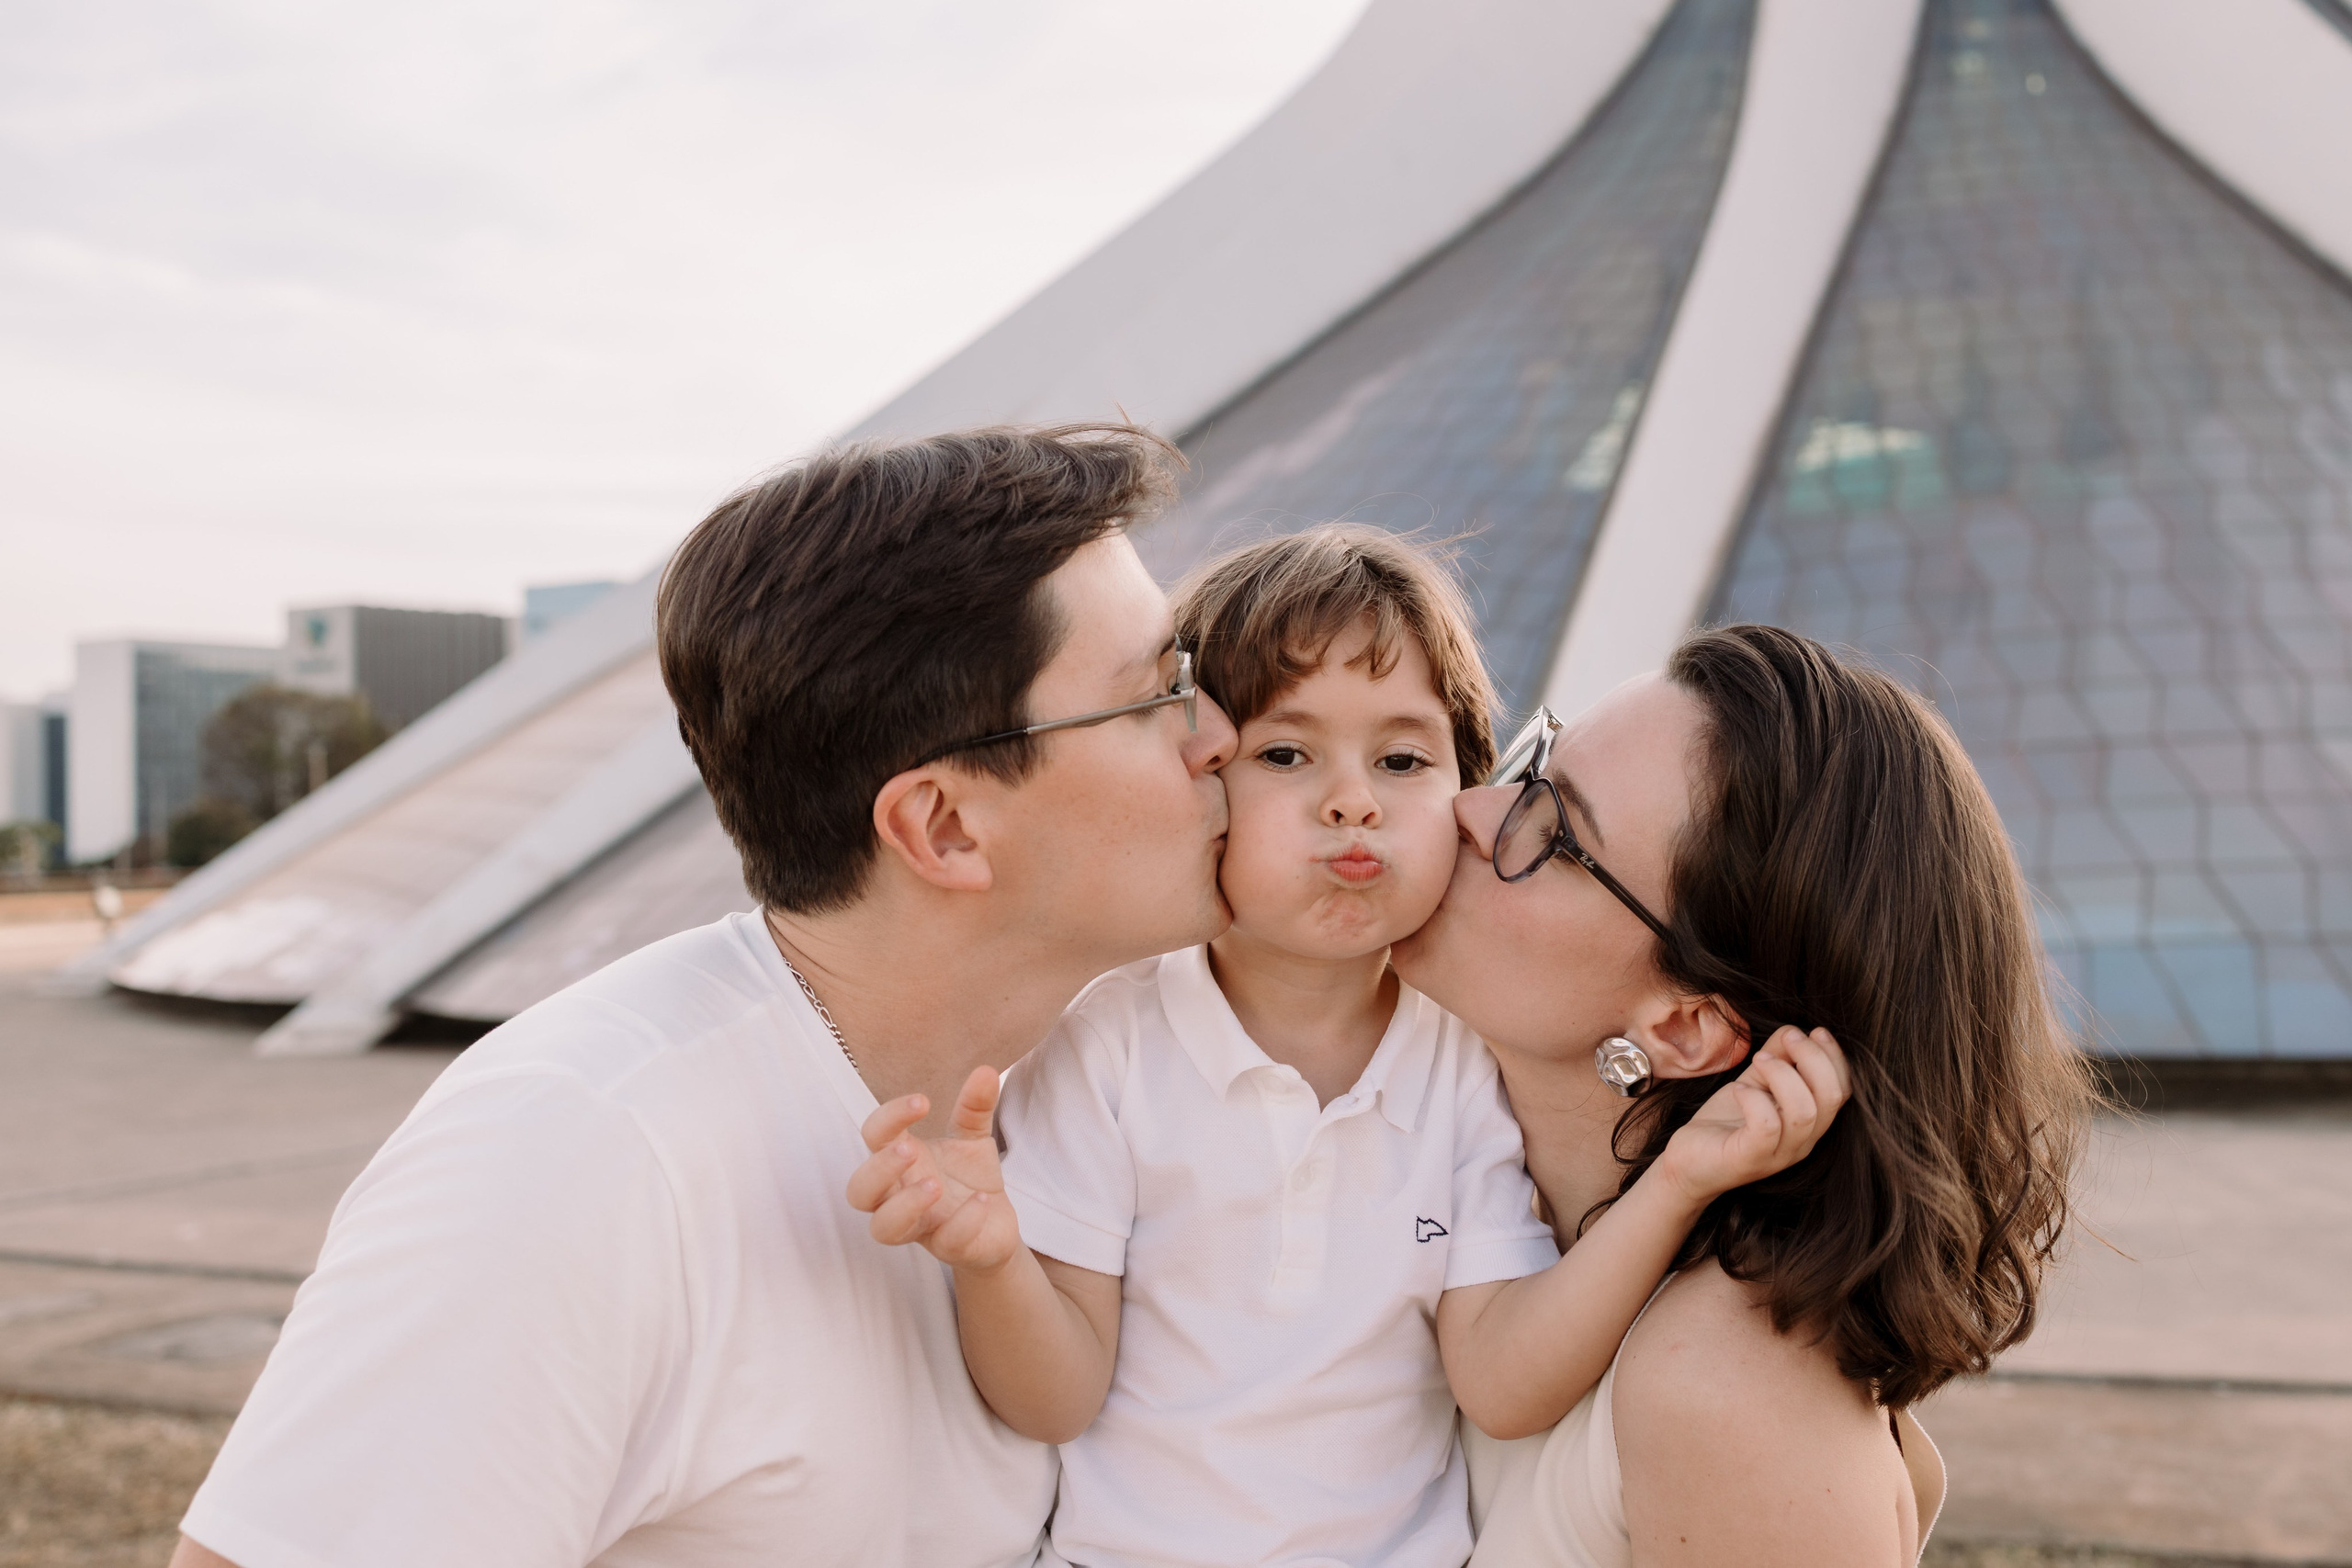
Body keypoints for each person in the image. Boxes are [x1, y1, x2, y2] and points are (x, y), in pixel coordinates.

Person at [169, 425, 1238, 1568]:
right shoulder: (580, 1152)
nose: (1221, 734)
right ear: (944, 827)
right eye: (1157, 694)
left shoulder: (1089, 1103)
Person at [848, 529, 1850, 1568]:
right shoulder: (1108, 1046)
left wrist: (1679, 1181)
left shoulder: (1464, 1064)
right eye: (1285, 755)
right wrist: (993, 1260)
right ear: (1199, 780)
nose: (1353, 800)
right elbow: (1053, 1399)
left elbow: (1502, 1384)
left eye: (1402, 760)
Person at [1388, 624, 2096, 1567]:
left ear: (1685, 1028)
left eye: (1552, 835)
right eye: (1534, 764)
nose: (1470, 809)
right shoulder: (1429, 1161)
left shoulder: (1728, 1387)